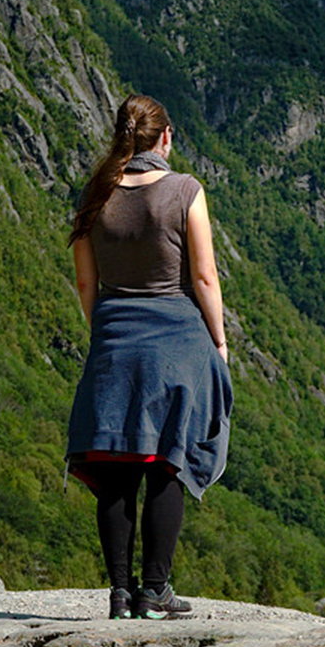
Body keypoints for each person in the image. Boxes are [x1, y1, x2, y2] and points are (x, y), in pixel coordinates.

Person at [65, 94, 232, 620]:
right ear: (163, 138)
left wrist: (108, 332)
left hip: (115, 338)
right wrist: (220, 343)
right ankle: (155, 590)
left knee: (115, 466)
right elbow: (204, 276)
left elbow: (86, 282)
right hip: (177, 342)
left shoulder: (95, 194)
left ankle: (119, 592)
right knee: (167, 463)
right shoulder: (185, 190)